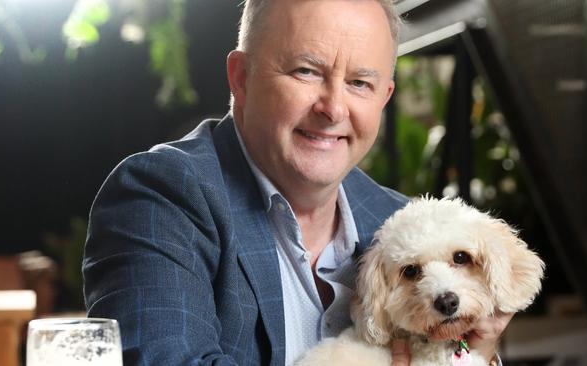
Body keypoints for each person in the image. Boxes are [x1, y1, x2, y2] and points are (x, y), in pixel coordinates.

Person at [83, 0, 510, 365]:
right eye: (306, 72)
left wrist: (477, 351)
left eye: (360, 83)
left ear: (384, 98)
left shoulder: (397, 224)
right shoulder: (159, 196)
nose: (333, 108)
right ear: (241, 77)